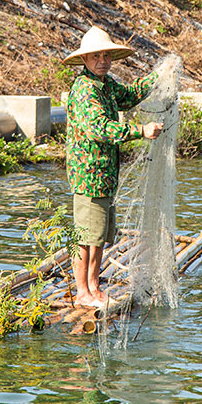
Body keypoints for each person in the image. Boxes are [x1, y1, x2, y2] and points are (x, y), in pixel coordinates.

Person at [63, 26, 162, 307]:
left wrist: (160, 76)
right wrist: (140, 130)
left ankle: (94, 286)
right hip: (88, 175)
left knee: (99, 237)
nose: (102, 61)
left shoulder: (106, 85)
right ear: (85, 59)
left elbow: (129, 96)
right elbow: (100, 129)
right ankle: (83, 293)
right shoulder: (84, 89)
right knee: (85, 237)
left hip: (106, 174)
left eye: (106, 55)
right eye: (96, 56)